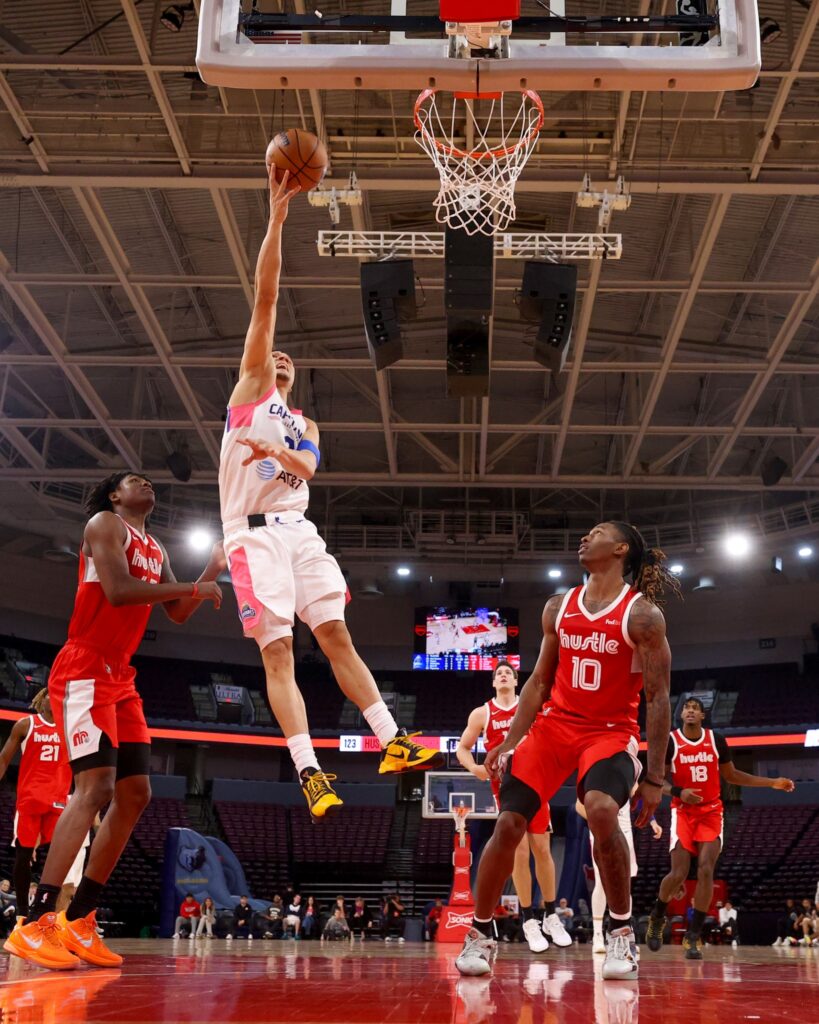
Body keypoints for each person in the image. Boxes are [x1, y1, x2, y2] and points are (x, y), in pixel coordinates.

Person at [217, 166, 443, 819]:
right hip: (253, 536)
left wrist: (275, 453)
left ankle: (392, 739)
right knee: (280, 651)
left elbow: (309, 468)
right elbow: (266, 296)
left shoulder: (306, 424)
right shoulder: (248, 392)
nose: (281, 358)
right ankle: (310, 772)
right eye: (275, 355)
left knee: (337, 635)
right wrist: (277, 217)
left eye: (289, 359)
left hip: (299, 532)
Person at [5, 471, 223, 972]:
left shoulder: (155, 545)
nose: (146, 484)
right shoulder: (104, 524)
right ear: (114, 494)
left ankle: (79, 919)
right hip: (84, 666)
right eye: (134, 480)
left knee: (135, 793)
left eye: (149, 481)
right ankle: (34, 922)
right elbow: (120, 591)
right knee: (96, 787)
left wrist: (212, 566)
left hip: (120, 675)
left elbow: (177, 612)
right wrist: (195, 583)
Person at [455, 521, 677, 982]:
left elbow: (658, 699)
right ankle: (480, 931)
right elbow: (538, 682)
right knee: (509, 822)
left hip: (609, 732)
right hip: (555, 727)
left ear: (620, 548)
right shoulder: (559, 607)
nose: (584, 538)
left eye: (596, 532)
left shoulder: (642, 616)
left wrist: (655, 777)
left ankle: (621, 931)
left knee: (601, 809)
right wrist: (510, 742)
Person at [645, 696, 795, 960]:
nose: (690, 711)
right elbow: (658, 781)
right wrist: (679, 791)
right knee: (679, 873)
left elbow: (732, 775)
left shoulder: (716, 740)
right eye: (687, 708)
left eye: (695, 708)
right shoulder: (672, 741)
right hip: (683, 811)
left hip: (711, 812)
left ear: (702, 716)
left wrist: (771, 782)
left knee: (706, 870)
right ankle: (657, 916)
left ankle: (693, 936)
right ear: (681, 715)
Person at [456, 661, 571, 954]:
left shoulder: (530, 705)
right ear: (494, 682)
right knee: (519, 851)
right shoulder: (482, 713)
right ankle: (529, 919)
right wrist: (475, 768)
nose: (504, 675)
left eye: (508, 672)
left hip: (535, 781)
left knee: (542, 849)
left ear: (517, 681)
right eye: (499, 674)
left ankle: (550, 914)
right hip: (505, 788)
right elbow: (462, 747)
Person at [0, 689, 72, 934]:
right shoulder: (26, 725)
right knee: (23, 856)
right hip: (30, 800)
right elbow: (4, 759)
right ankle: (21, 914)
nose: (56, 697)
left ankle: (45, 911)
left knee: (57, 858)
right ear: (42, 699)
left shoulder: (70, 728)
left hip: (59, 801)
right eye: (51, 694)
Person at [576, 795, 663, 953]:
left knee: (625, 885)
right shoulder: (592, 780)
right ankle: (597, 936)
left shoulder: (627, 778)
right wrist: (599, 817)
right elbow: (579, 806)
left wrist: (652, 820)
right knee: (601, 883)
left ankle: (624, 934)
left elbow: (639, 795)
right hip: (601, 828)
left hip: (624, 830)